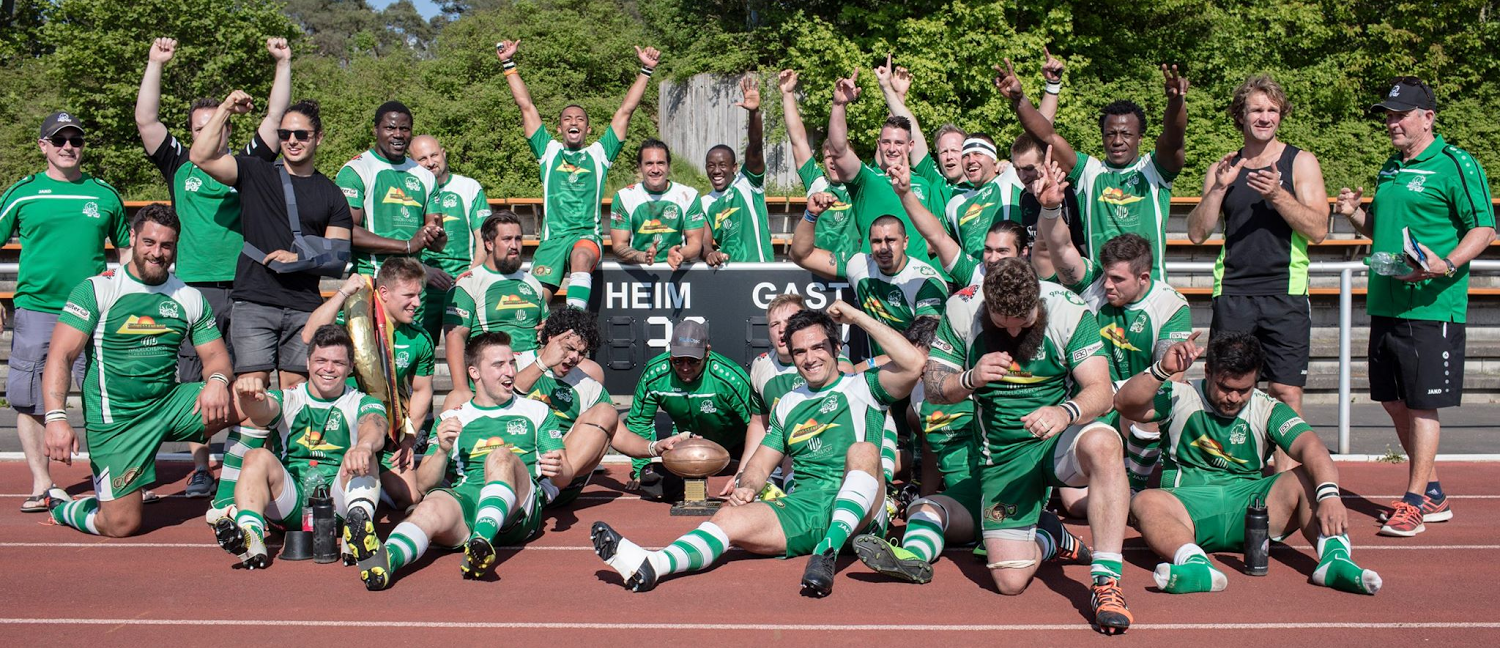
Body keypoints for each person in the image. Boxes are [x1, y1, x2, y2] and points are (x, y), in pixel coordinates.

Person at [592, 301, 923, 597]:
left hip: (864, 511)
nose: (810, 358)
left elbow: (912, 363)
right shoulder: (786, 405)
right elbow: (762, 462)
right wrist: (747, 486)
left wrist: (853, 315)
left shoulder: (864, 386)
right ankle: (653, 564)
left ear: (836, 346)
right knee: (730, 517)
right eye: (800, 352)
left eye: (818, 347)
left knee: (863, 450)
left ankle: (827, 552)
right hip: (806, 509)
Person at [922, 258, 1134, 635]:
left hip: (1059, 439)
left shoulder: (1069, 309)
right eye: (1004, 322)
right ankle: (1049, 536)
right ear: (987, 305)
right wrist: (970, 378)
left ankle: (1106, 583)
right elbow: (934, 388)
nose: (1017, 330)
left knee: (1104, 442)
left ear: (1038, 298)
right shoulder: (962, 308)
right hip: (1003, 454)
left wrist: (1065, 412)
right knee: (1009, 582)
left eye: (1026, 319)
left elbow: (1101, 393)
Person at [1333, 77, 1495, 537]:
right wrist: (1353, 215)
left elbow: (1482, 228)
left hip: (1432, 303)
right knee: (1390, 398)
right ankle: (1434, 492)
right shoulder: (1389, 167)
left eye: (1400, 114)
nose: (1391, 122)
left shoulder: (1455, 163)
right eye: (1388, 114)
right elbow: (1381, 231)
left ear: (1428, 117)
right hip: (1386, 301)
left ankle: (1414, 500)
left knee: (1422, 405)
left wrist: (1445, 264)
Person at [134, 36, 291, 497]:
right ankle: (200, 465)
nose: (211, 131)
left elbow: (275, 119)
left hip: (245, 287)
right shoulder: (179, 164)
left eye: (216, 125)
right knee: (191, 379)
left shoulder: (246, 164)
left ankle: (242, 464)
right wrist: (154, 62)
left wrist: (282, 63)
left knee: (247, 378)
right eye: (201, 125)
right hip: (193, 287)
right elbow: (146, 118)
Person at [1116, 332, 1382, 595]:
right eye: (1225, 387)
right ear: (1208, 371)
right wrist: (1162, 369)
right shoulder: (1179, 395)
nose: (1233, 398)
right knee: (1143, 501)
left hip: (1251, 512)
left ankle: (1335, 560)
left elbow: (1312, 446)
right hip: (1187, 508)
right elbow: (1124, 404)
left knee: (1308, 478)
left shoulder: (1268, 409)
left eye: (1243, 389)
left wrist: (1330, 495)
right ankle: (1195, 564)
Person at [40, 205, 237, 537]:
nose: (157, 253)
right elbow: (61, 356)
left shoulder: (188, 296)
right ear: (132, 238)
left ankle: (229, 501)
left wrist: (217, 380)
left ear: (176, 247)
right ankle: (63, 507)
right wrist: (56, 418)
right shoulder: (97, 289)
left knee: (260, 403)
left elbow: (217, 358)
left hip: (168, 405)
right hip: (117, 421)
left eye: (166, 246)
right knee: (120, 525)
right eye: (149, 242)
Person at [851, 318, 1089, 586]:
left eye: (924, 364)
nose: (919, 371)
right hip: (965, 497)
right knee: (922, 509)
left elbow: (1029, 442)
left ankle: (1050, 535)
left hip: (1002, 487)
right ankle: (910, 559)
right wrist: (927, 493)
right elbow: (930, 448)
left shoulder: (983, 382)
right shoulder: (917, 399)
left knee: (1008, 572)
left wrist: (1038, 493)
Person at [353, 331, 567, 590]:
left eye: (511, 363)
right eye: (499, 365)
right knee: (429, 506)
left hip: (518, 509)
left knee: (499, 456)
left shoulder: (537, 411)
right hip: (468, 500)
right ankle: (387, 559)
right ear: (474, 373)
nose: (510, 372)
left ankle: (481, 540)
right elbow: (422, 485)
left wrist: (558, 468)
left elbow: (563, 476)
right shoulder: (451, 419)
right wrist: (442, 449)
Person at [1037, 152, 1192, 493]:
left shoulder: (1170, 304)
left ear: (1144, 277)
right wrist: (1050, 208)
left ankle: (1137, 485)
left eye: (1118, 279)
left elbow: (1171, 379)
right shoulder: (1094, 281)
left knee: (1155, 401)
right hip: (1092, 400)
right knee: (1075, 504)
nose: (1107, 285)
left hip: (1137, 401)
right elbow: (1060, 247)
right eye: (1106, 276)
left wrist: (1126, 395)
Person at [2, 111, 130, 514]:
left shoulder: (104, 194)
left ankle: (113, 480)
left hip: (92, 309)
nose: (68, 147)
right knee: (28, 399)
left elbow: (127, 251)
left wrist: (127, 298)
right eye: (59, 141)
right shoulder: (22, 193)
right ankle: (43, 484)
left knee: (106, 398)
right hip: (36, 309)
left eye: (75, 140)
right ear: (44, 146)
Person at [1188, 74, 1329, 432]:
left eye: (1273, 110)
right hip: (1233, 293)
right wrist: (1219, 189)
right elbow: (1196, 233)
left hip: (1286, 293)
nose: (1265, 117)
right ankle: (1227, 470)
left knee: (1285, 391)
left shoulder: (1301, 162)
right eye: (1257, 110)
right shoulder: (1222, 168)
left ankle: (1287, 481)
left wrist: (1278, 195)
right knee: (1225, 388)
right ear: (1241, 115)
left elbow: (1319, 230)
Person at [190, 92, 353, 389]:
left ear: (318, 138)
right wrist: (225, 108)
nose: (292, 140)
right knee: (252, 390)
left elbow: (338, 255)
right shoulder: (255, 171)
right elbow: (199, 156)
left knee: (296, 392)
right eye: (285, 134)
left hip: (304, 306)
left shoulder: (332, 193)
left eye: (301, 134)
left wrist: (301, 258)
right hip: (254, 301)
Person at [496, 38, 659, 309]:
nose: (574, 121)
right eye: (567, 119)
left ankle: (575, 321)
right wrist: (508, 64)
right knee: (535, 304)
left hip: (585, 237)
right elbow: (526, 106)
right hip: (552, 240)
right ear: (559, 129)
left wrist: (646, 71)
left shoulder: (599, 154)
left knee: (581, 257)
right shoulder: (547, 151)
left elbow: (625, 111)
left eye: (580, 119)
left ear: (588, 129)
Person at [996, 60, 1188, 280]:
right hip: (1100, 291)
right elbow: (1046, 137)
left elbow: (1173, 138)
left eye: (1126, 134)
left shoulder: (1154, 170)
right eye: (1110, 134)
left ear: (1140, 138)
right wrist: (1019, 100)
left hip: (1149, 288)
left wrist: (1175, 103)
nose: (1117, 141)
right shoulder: (1089, 172)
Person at [217, 325, 387, 569]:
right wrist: (248, 399)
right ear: (308, 363)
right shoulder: (290, 397)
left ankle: (356, 533)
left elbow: (374, 426)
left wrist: (364, 445)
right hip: (291, 502)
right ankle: (251, 536)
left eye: (338, 363)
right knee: (256, 456)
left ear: (351, 367)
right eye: (321, 360)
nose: (328, 368)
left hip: (337, 504)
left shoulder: (362, 401)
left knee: (365, 454)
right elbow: (263, 411)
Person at [513, 308, 688, 508]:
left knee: (606, 412)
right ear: (551, 338)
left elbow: (620, 436)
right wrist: (542, 364)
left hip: (558, 480)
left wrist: (654, 447)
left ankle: (546, 490)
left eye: (581, 353)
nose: (574, 358)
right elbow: (496, 402)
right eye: (569, 348)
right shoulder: (515, 362)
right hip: (518, 464)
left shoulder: (588, 386)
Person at [300, 257, 435, 509]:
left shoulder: (420, 338)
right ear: (383, 293)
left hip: (385, 432)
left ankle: (375, 488)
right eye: (409, 295)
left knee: (410, 497)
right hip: (340, 428)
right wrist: (343, 293)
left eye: (419, 295)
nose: (417, 303)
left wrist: (408, 439)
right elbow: (309, 335)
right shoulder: (352, 324)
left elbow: (422, 391)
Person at [791, 197, 948, 351]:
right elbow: (801, 255)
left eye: (891, 240)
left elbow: (922, 353)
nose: (884, 248)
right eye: (877, 241)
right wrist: (811, 215)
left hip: (917, 372)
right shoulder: (860, 265)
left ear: (905, 242)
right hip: (880, 369)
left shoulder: (926, 280)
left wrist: (868, 365)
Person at [622, 320, 756, 498]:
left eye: (693, 361)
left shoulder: (729, 378)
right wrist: (639, 471)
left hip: (736, 447)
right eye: (678, 360)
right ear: (670, 352)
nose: (685, 367)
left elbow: (758, 424)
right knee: (650, 478)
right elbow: (640, 421)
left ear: (707, 352)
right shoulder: (654, 374)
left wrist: (746, 470)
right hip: (688, 449)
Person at [441, 211, 549, 411]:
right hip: (494, 373)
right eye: (507, 239)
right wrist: (461, 388)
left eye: (518, 238)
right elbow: (455, 336)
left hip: (536, 371)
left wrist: (548, 330)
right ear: (489, 244)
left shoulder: (532, 282)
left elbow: (546, 327)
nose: (514, 245)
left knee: (592, 373)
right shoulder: (469, 282)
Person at [825, 70, 928, 262]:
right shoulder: (867, 179)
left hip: (916, 281)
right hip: (875, 278)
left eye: (898, 143)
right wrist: (839, 105)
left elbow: (935, 235)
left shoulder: (924, 184)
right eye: (886, 142)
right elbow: (839, 151)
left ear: (910, 146)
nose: (892, 148)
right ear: (878, 144)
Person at [888, 158, 1032, 288]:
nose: (993, 259)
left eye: (1002, 251)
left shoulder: (1035, 279)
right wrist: (905, 194)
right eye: (988, 250)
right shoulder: (975, 274)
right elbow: (938, 237)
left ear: (1022, 253)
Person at [338, 101, 443, 279]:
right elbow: (347, 231)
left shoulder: (424, 176)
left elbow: (439, 244)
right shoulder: (356, 170)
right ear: (375, 130)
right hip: (370, 278)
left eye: (405, 129)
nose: (398, 134)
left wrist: (435, 236)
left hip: (413, 281)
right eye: (390, 128)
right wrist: (407, 245)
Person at [408, 134, 492, 342]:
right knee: (418, 348)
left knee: (472, 351)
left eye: (434, 155)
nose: (430, 163)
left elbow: (484, 237)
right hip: (423, 280)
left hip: (464, 280)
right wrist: (422, 272)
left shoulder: (469, 187)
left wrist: (472, 274)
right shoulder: (409, 190)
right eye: (422, 159)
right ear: (412, 162)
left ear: (443, 153)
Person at [780, 69, 858, 266]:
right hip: (821, 268)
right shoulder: (817, 182)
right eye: (827, 157)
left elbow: (890, 147)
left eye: (837, 155)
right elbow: (798, 140)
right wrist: (788, 95)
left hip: (859, 271)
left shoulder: (861, 184)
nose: (833, 161)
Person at [701, 75, 771, 263]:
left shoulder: (747, 183)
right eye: (711, 166)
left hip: (762, 270)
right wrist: (710, 253)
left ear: (734, 167)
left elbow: (755, 145)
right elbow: (704, 243)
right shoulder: (705, 203)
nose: (716, 170)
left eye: (722, 165)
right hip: (729, 275)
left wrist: (754, 113)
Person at [610, 139, 708, 269]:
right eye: (649, 163)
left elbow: (695, 244)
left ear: (668, 166)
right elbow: (619, 245)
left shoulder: (689, 195)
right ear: (640, 167)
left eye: (660, 163)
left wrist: (678, 254)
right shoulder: (624, 196)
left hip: (677, 270)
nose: (655, 169)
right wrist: (643, 256)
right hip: (639, 270)